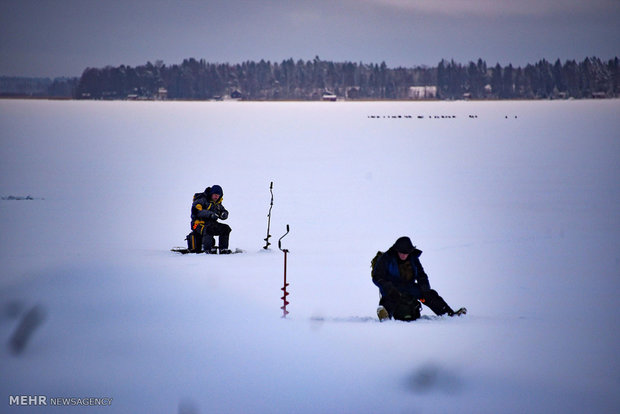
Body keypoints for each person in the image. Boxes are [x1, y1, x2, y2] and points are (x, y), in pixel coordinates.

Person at [371, 236, 466, 321]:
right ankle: (385, 315)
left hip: (410, 287)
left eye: (406, 253)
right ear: (396, 250)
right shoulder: (386, 258)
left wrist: (425, 287)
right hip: (392, 287)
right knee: (392, 297)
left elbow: (421, 274)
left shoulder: (413, 258)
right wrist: (388, 287)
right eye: (402, 252)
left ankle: (449, 314)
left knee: (429, 295)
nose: (404, 255)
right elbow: (377, 276)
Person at [190, 185, 232, 254]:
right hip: (197, 224)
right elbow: (197, 211)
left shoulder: (217, 204)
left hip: (211, 224)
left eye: (218, 195)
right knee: (208, 229)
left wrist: (224, 214)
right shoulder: (201, 200)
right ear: (211, 194)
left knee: (225, 228)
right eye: (215, 195)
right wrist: (210, 214)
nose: (216, 197)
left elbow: (223, 211)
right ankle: (207, 249)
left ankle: (223, 249)